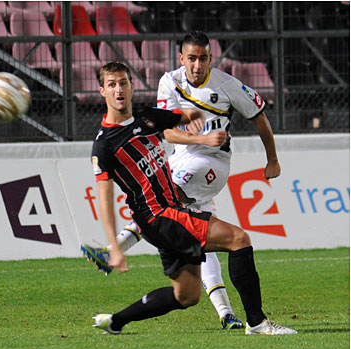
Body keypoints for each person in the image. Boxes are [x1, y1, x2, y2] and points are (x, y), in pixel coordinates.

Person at [82, 31, 281, 331]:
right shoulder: (104, 145)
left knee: (186, 295)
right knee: (239, 240)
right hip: (161, 217)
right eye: (112, 85)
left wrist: (191, 115)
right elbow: (105, 197)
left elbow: (174, 118)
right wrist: (115, 245)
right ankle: (259, 323)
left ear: (133, 86)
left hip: (169, 212)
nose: (119, 89)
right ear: (102, 92)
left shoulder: (145, 118)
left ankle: (116, 321)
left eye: (123, 82)